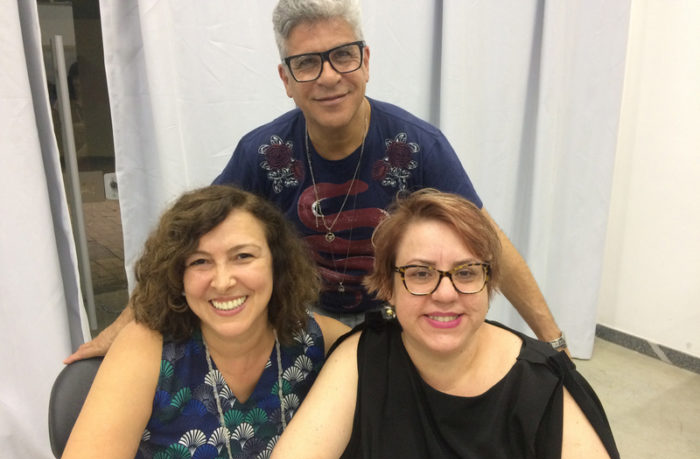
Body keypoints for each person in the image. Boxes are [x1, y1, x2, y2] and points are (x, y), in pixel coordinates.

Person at [66, 0, 568, 363]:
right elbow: (187, 242)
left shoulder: (416, 145)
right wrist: (118, 328)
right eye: (306, 63)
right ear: (285, 79)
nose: (328, 76)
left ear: (365, 62)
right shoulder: (261, 153)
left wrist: (552, 340)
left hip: (398, 319)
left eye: (343, 55)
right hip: (299, 321)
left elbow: (485, 238)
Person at [262, 189, 632, 459]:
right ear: (389, 286)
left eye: (466, 272)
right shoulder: (364, 356)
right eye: (420, 273)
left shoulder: (542, 382)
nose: (445, 293)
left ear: (490, 282)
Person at [47, 185, 349, 459]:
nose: (222, 282)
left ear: (277, 264)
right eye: (200, 261)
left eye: (243, 256)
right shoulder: (146, 349)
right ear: (178, 274)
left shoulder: (318, 341)